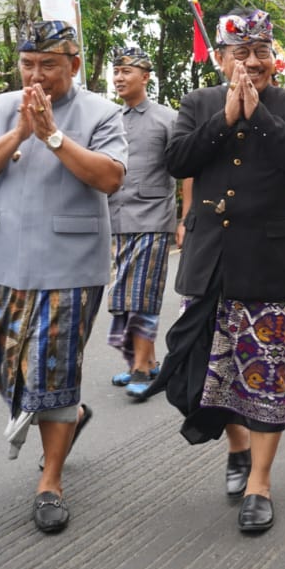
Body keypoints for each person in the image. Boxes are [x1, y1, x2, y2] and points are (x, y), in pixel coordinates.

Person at [149, 7, 285, 534]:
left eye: (261, 52)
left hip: (272, 267)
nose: (252, 62)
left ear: (274, 58)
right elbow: (177, 161)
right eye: (241, 53)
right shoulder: (197, 103)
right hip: (210, 264)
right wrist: (225, 118)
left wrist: (259, 116)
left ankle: (260, 484)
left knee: (269, 374)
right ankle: (237, 446)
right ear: (222, 59)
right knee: (213, 371)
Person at [0, 20, 127, 533]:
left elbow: (110, 178)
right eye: (28, 64)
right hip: (3, 256)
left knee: (53, 371)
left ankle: (50, 481)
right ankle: (70, 415)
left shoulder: (102, 112)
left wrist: (52, 136)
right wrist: (17, 132)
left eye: (49, 65)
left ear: (74, 65)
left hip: (69, 261)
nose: (36, 75)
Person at [104, 46, 180, 401]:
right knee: (122, 296)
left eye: (127, 72)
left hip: (153, 217)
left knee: (143, 295)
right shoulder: (109, 119)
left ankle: (140, 369)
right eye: (116, 72)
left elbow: (186, 170)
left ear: (145, 77)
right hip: (115, 217)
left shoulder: (168, 118)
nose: (119, 78)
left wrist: (185, 217)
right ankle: (145, 362)